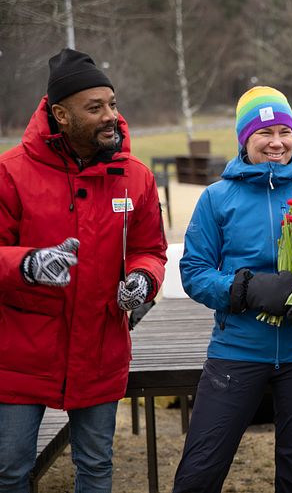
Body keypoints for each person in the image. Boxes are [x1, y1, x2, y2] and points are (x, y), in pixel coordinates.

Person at [0, 48, 167, 492]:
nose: (110, 115)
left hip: (101, 347)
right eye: (95, 108)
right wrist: (29, 264)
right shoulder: (11, 173)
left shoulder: (136, 176)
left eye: (112, 103)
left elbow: (151, 249)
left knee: (95, 467)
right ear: (61, 114)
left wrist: (143, 279)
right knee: (9, 471)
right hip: (21, 352)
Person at [173, 86, 292, 493]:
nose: (277, 142)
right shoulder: (217, 198)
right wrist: (247, 288)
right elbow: (194, 271)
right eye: (264, 133)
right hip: (238, 349)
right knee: (200, 470)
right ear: (244, 139)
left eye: (284, 131)